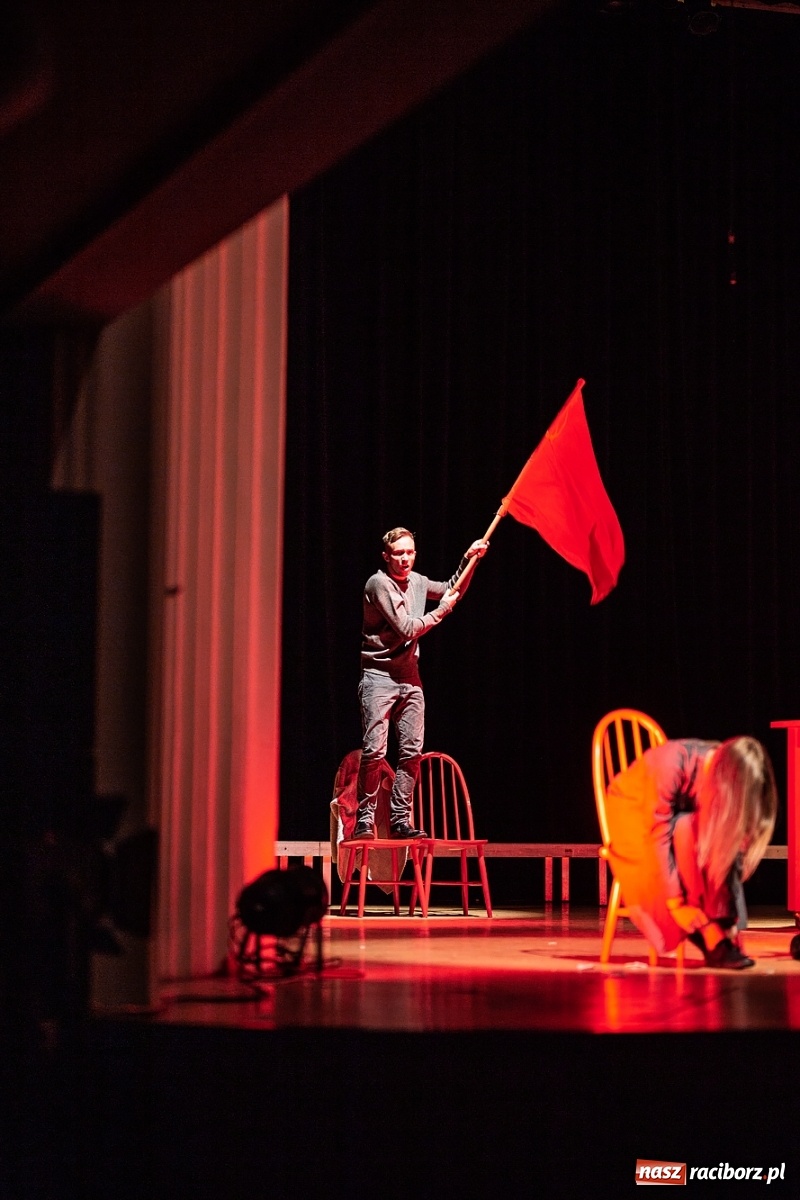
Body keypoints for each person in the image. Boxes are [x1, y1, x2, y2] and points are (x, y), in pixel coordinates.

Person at [353, 527, 488, 840]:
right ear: (386, 556)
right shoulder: (379, 584)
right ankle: (365, 821)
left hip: (410, 677)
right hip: (379, 677)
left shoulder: (416, 581)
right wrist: (443, 610)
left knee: (412, 752)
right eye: (398, 553)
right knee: (375, 751)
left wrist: (470, 561)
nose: (405, 559)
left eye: (410, 552)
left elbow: (451, 588)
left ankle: (400, 821)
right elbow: (407, 628)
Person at [605, 736, 777, 969]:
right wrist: (676, 903)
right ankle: (710, 933)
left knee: (701, 829)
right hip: (634, 815)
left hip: (674, 820)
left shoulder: (721, 767)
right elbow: (657, 835)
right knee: (686, 827)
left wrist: (730, 913)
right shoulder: (671, 763)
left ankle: (723, 929)